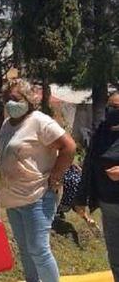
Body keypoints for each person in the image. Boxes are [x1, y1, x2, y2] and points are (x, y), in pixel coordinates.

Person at [0, 79, 75, 282]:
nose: (10, 103)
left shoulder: (40, 121)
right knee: (25, 250)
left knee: (39, 250)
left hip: (37, 196)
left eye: (15, 99)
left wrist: (56, 176)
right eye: (6, 99)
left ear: (28, 99)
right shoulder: (7, 123)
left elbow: (69, 147)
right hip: (13, 199)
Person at [75, 91, 119, 279]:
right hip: (107, 203)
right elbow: (89, 163)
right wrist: (80, 197)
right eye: (112, 107)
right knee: (115, 255)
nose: (114, 111)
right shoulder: (101, 131)